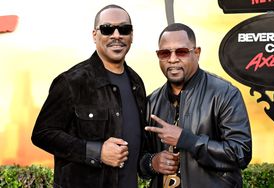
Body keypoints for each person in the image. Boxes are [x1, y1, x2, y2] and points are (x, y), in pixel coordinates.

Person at [31, 4, 147, 188]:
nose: (116, 35)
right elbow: (42, 134)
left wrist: (152, 161)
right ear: (95, 35)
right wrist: (97, 152)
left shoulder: (137, 83)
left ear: (131, 36)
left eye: (124, 29)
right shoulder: (71, 81)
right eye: (107, 29)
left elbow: (138, 144)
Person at [139, 23, 252, 188]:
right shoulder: (152, 102)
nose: (172, 59)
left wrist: (187, 140)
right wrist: (152, 162)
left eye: (181, 52)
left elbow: (240, 153)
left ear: (197, 53)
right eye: (164, 53)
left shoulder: (224, 93)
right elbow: (139, 158)